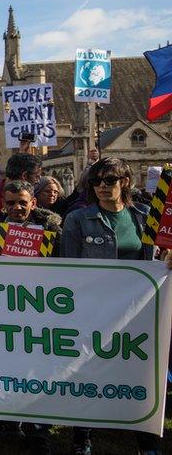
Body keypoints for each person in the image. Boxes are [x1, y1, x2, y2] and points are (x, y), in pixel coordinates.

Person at [61, 157, 166, 455]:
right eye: (96, 182)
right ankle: (82, 437)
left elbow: (156, 260)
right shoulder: (77, 220)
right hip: (93, 309)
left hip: (137, 310)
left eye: (109, 180)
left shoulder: (144, 216)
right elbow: (68, 270)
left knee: (139, 371)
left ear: (125, 182)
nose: (102, 187)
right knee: (87, 370)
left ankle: (145, 440)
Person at [0, 180, 62, 256]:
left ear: (33, 203)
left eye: (23, 203)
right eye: (10, 203)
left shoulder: (50, 228)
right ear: (3, 203)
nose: (17, 207)